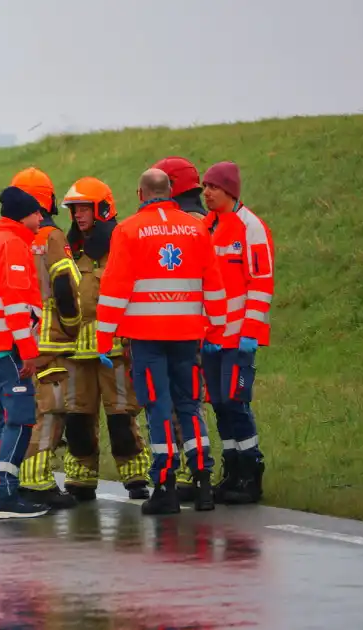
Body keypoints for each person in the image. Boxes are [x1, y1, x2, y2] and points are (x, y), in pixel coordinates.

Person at [96, 169, 226, 515]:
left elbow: (114, 288)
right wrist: (218, 329)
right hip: (188, 336)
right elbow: (213, 282)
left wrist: (103, 337)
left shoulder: (128, 231)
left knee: (157, 409)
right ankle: (202, 484)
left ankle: (165, 488)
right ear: (170, 191)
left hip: (148, 339)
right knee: (190, 405)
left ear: (140, 193)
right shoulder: (196, 227)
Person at [59, 177, 152, 502]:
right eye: (74, 210)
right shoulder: (69, 249)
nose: (79, 215)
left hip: (113, 347)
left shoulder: (121, 244)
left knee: (120, 416)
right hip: (75, 350)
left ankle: (136, 476)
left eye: (84, 208)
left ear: (102, 209)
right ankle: (80, 480)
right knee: (78, 418)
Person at [0, 185, 53, 520]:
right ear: (25, 214)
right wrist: (29, 351)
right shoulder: (15, 246)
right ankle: (6, 495)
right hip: (7, 348)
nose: (40, 219)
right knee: (19, 418)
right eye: (37, 213)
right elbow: (17, 307)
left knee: (4, 420)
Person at [5, 167, 82, 509]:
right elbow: (66, 283)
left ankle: (23, 477)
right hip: (48, 340)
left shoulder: (10, 239)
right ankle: (37, 481)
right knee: (50, 411)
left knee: (27, 410)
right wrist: (72, 324)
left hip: (20, 338)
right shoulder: (52, 237)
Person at [201, 161, 274, 504]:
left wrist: (250, 334)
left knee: (236, 403)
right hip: (212, 339)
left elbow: (260, 285)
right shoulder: (207, 225)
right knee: (218, 404)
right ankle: (232, 472)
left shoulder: (251, 227)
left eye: (212, 187)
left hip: (237, 339)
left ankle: (251, 473)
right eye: (204, 187)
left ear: (229, 190)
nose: (206, 193)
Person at [152, 155, 210, 500]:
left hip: (175, 331)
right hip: (200, 328)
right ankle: (198, 472)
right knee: (192, 405)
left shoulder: (178, 225)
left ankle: (184, 474)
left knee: (176, 406)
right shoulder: (206, 221)